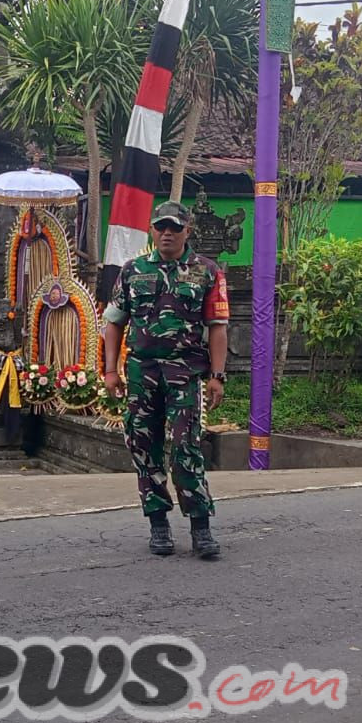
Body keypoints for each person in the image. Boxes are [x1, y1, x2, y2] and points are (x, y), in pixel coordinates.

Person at [102, 201, 230, 559]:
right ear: (152, 230)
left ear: (188, 229)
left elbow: (217, 327)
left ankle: (201, 526)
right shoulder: (133, 270)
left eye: (175, 227)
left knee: (186, 446)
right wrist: (110, 371)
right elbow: (114, 322)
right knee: (143, 445)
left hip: (184, 373)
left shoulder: (207, 272)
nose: (167, 233)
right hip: (142, 374)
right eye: (161, 227)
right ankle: (158, 523)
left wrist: (217, 376)